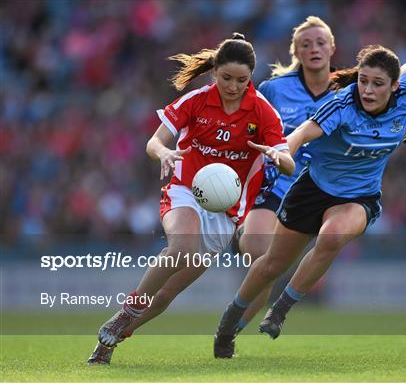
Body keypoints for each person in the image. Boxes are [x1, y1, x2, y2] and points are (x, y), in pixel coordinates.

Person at [87, 33, 295, 365]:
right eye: (226, 78)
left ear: (250, 78)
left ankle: (108, 343)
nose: (232, 85)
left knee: (167, 294)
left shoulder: (263, 113)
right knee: (181, 248)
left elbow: (289, 163)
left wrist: (275, 154)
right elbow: (154, 143)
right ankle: (127, 311)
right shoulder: (196, 101)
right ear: (214, 73)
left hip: (225, 212)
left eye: (241, 80)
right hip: (185, 189)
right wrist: (165, 153)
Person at [214, 44, 406, 346]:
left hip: (359, 197)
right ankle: (230, 319)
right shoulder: (341, 106)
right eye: (363, 81)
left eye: (377, 84)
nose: (367, 90)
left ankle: (280, 310)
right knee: (273, 264)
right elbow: (300, 134)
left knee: (332, 236)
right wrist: (282, 153)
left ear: (394, 86)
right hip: (313, 189)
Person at [213, 16, 337, 358]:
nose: (314, 48)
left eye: (320, 42)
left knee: (270, 270)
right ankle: (240, 231)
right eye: (306, 43)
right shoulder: (274, 89)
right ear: (295, 50)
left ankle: (229, 333)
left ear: (332, 48)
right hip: (276, 184)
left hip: (319, 191)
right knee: (257, 252)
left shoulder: (347, 93)